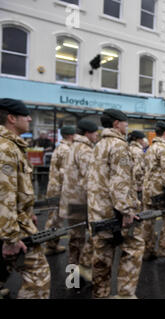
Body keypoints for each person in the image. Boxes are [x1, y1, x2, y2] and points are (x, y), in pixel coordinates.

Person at [87, 109, 144, 299]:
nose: (126, 127)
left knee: (101, 258)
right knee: (133, 248)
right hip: (115, 213)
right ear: (116, 124)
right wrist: (127, 211)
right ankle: (125, 294)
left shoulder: (99, 145)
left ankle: (100, 295)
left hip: (98, 212)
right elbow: (120, 183)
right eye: (125, 123)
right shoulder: (119, 146)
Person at [0, 98, 51, 298]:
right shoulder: (6, 149)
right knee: (38, 275)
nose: (30, 119)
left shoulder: (11, 146)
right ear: (12, 118)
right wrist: (11, 238)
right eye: (25, 115)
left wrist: (28, 213)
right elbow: (3, 196)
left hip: (14, 221)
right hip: (11, 228)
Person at [61, 119, 98, 283]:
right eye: (95, 132)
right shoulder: (85, 150)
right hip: (81, 201)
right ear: (88, 133)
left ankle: (73, 277)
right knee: (92, 236)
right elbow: (90, 178)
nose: (97, 135)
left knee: (75, 240)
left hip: (71, 199)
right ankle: (82, 272)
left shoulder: (72, 147)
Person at [142, 122, 165, 261]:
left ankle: (148, 249)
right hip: (160, 191)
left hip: (148, 190)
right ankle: (164, 248)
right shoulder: (164, 149)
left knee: (148, 221)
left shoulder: (150, 148)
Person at [44, 125, 75, 256]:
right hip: (60, 189)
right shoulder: (66, 149)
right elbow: (65, 172)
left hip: (55, 187)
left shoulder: (60, 147)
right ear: (70, 136)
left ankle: (52, 244)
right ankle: (50, 246)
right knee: (55, 219)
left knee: (55, 218)